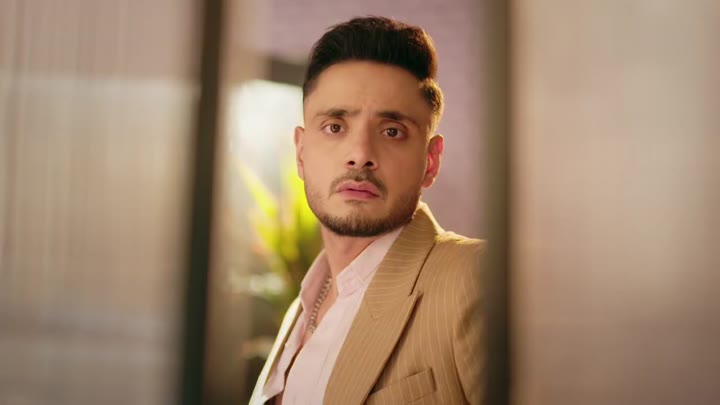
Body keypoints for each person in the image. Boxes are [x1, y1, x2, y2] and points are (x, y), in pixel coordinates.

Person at [250, 16, 484, 405]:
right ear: (301, 153)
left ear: (430, 161)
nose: (360, 155)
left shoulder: (473, 277)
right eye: (335, 127)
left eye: (392, 131)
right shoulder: (301, 307)